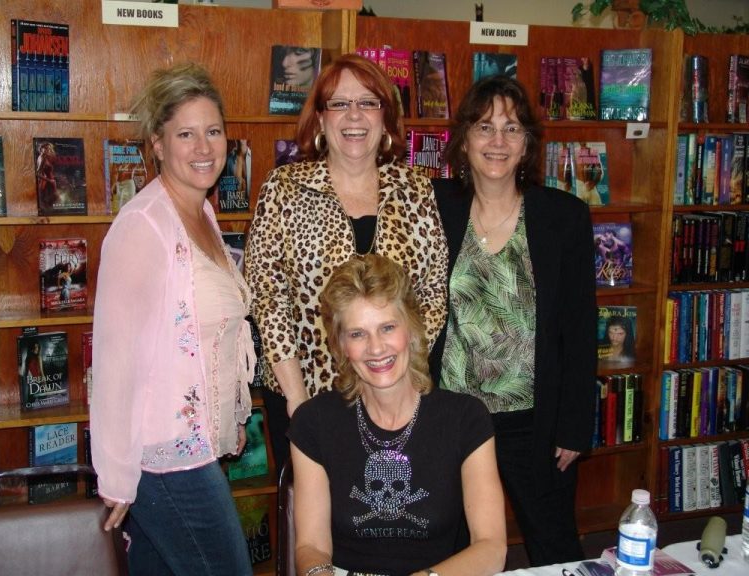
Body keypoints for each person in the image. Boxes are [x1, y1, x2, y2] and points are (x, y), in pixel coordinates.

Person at [245, 53, 448, 471]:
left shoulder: (416, 190)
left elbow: (432, 294)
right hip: (303, 392)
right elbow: (266, 296)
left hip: (395, 396)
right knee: (313, 523)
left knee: (386, 509)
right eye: (339, 103)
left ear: (385, 118)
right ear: (320, 119)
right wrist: (300, 405)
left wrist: (397, 381)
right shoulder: (284, 187)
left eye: (368, 102)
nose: (354, 115)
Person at [90, 62, 255, 576]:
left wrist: (228, 415)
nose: (204, 148)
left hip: (197, 449)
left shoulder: (202, 213)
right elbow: (115, 361)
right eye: (186, 134)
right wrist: (116, 477)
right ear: (157, 145)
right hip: (162, 459)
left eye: (213, 131)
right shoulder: (143, 225)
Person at [430, 76, 597, 566]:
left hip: (535, 421)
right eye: (485, 127)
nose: (498, 142)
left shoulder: (563, 217)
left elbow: (580, 330)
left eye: (512, 128)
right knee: (453, 552)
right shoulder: (436, 208)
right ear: (463, 140)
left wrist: (573, 427)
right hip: (452, 419)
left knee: (554, 546)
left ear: (528, 144)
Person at [290, 254, 506, 576]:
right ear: (340, 345)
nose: (376, 349)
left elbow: (492, 547)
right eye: (357, 334)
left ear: (412, 330)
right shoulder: (314, 422)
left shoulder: (464, 419)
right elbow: (311, 546)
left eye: (387, 327)